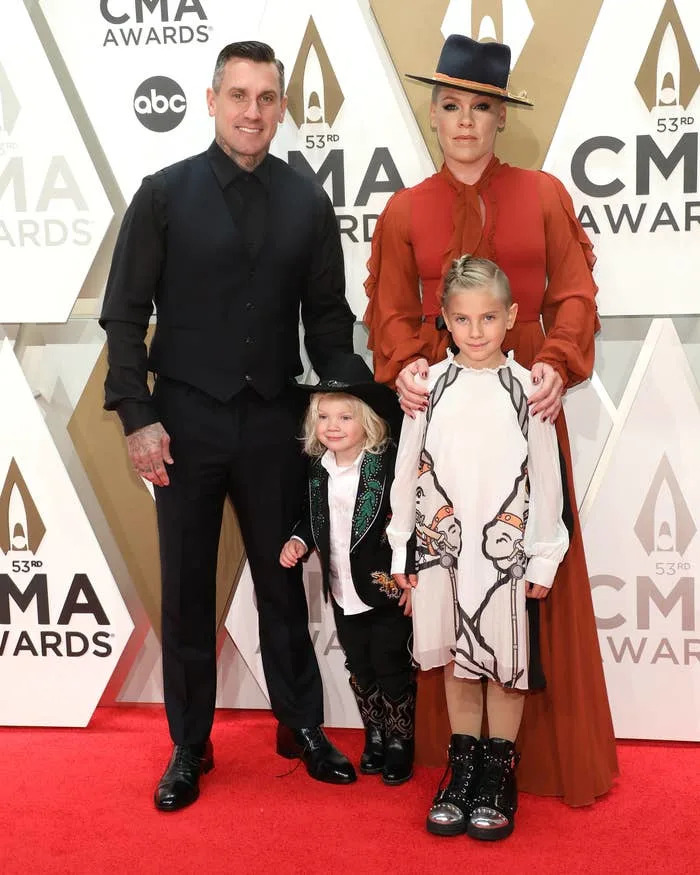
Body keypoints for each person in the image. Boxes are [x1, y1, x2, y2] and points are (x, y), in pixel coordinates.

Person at [100, 40, 357, 812]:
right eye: (239, 95)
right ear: (211, 101)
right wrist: (136, 415)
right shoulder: (164, 194)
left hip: (276, 421)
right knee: (184, 588)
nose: (253, 111)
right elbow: (123, 313)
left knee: (285, 580)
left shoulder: (307, 203)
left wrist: (345, 400)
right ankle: (189, 743)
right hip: (181, 422)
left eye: (267, 98)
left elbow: (330, 320)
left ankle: (303, 726)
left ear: (283, 108)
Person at [363, 34, 618, 807]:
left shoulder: (543, 194)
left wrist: (559, 360)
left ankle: (515, 764)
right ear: (434, 115)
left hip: (528, 399)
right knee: (449, 579)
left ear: (500, 116)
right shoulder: (405, 209)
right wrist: (408, 362)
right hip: (442, 419)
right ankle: (464, 757)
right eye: (451, 105)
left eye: (481, 106)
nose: (465, 121)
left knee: (528, 573)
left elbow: (574, 292)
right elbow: (389, 309)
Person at [389, 255, 569, 839]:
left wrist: (544, 553)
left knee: (505, 665)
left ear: (512, 316)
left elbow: (546, 477)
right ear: (444, 319)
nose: (476, 332)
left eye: (489, 317)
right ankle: (462, 765)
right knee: (458, 661)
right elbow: (407, 470)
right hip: (444, 551)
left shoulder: (528, 390)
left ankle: (499, 771)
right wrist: (402, 552)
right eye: (462, 319)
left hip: (506, 556)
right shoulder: (427, 387)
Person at [279, 353, 416, 785]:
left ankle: (400, 742)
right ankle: (374, 734)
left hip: (385, 589)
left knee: (391, 664)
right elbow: (312, 516)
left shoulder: (386, 465)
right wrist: (299, 540)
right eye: (323, 416)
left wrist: (410, 575)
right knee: (360, 665)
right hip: (342, 591)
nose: (332, 426)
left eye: (344, 417)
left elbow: (408, 520)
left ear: (368, 422)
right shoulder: (317, 471)